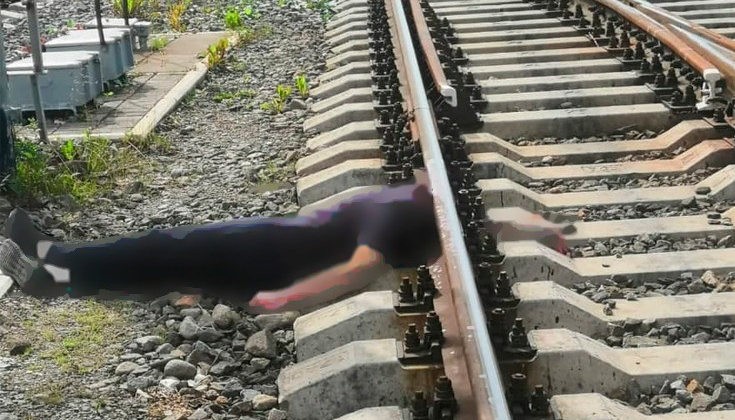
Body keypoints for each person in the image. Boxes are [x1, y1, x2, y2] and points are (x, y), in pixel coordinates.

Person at [0, 178, 573, 313]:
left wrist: (287, 300)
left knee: (162, 253)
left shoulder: (402, 212)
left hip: (265, 257)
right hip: (267, 247)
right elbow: (499, 223)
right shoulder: (431, 213)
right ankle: (56, 266)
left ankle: (53, 269)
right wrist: (548, 231)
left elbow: (360, 268)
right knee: (162, 260)